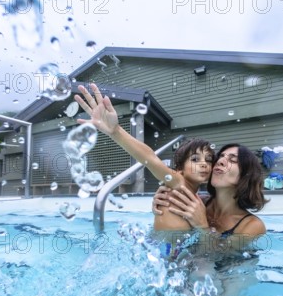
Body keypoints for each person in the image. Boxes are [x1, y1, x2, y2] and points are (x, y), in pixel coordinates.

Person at [74, 83, 214, 231]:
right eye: (195, 159)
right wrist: (116, 131)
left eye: (209, 159)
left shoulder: (196, 197)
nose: (204, 164)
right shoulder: (178, 183)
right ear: (180, 170)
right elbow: (150, 158)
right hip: (165, 251)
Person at [153, 143, 268, 249]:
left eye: (232, 160)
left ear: (246, 175)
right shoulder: (196, 203)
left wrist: (202, 227)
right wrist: (163, 204)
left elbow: (222, 254)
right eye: (220, 157)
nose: (220, 161)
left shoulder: (252, 225)